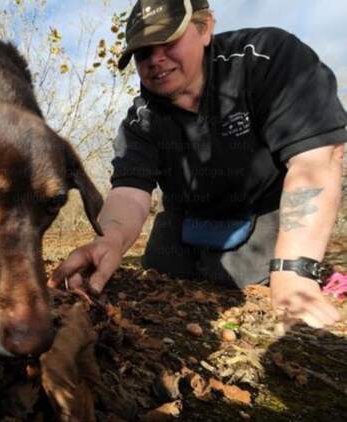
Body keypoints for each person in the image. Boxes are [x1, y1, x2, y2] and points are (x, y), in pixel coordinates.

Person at [49, 0, 346, 328]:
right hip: (184, 225)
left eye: (169, 41)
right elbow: (129, 191)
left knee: (247, 275)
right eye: (143, 52)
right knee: (160, 270)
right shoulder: (141, 120)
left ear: (205, 28)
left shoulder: (268, 59)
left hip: (263, 217)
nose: (156, 59)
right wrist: (109, 241)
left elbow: (316, 158)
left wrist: (295, 271)